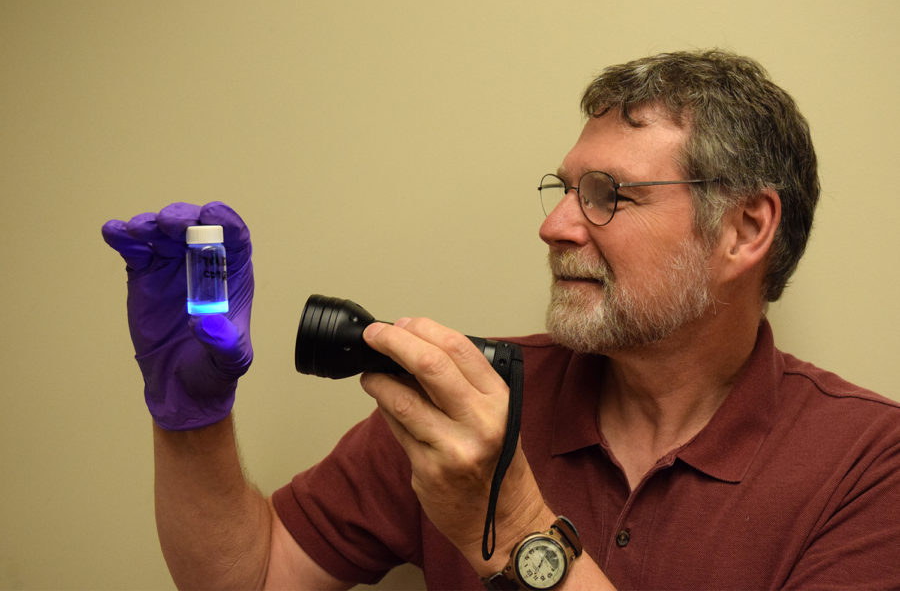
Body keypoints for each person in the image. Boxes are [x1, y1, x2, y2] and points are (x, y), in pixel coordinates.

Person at [102, 49, 900, 590]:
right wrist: (191, 419)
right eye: (565, 189)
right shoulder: (463, 401)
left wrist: (513, 523)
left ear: (745, 229)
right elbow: (256, 576)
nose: (555, 227)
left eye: (608, 196)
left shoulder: (869, 466)